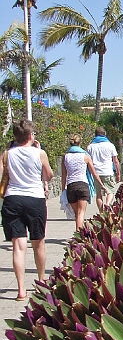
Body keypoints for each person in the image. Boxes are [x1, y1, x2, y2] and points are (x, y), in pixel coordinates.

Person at [0, 119, 54, 301]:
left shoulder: (7, 154)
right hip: (35, 199)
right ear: (31, 136)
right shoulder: (40, 153)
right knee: (38, 242)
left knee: (18, 245)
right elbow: (48, 175)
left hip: (12, 199)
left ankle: (21, 290)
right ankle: (40, 281)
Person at [62, 134, 104, 231]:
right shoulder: (85, 156)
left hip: (71, 186)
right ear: (80, 143)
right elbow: (94, 173)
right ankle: (79, 234)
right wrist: (101, 185)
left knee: (77, 213)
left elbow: (64, 175)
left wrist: (63, 190)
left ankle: (79, 232)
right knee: (81, 213)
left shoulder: (65, 157)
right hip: (83, 185)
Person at [87, 127, 121, 211]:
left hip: (95, 173)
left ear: (95, 135)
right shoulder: (110, 145)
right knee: (111, 191)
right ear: (105, 134)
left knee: (98, 194)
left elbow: (88, 161)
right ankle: (108, 204)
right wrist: (118, 173)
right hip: (108, 172)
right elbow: (116, 161)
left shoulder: (90, 147)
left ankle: (101, 212)